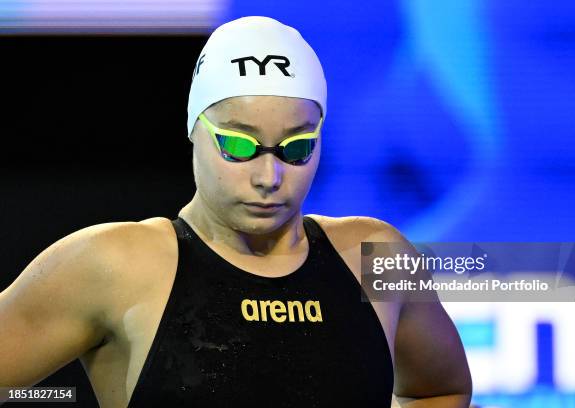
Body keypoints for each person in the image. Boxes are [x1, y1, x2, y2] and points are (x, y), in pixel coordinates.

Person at [0, 16, 471, 408]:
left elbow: (441, 390)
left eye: (296, 148)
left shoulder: (374, 256)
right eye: (239, 146)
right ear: (194, 130)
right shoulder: (115, 264)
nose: (269, 176)